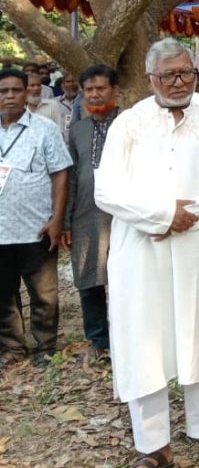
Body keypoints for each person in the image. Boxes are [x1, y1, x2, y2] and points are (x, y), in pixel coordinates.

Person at [94, 39, 199, 468]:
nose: (180, 82)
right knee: (144, 343)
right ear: (151, 79)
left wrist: (187, 217)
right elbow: (106, 190)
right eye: (169, 75)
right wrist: (163, 216)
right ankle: (154, 446)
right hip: (142, 251)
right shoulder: (129, 123)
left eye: (186, 73)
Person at [0, 67, 72, 368]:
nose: (10, 96)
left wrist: (57, 220)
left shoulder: (45, 129)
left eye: (16, 90)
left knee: (44, 293)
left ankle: (45, 347)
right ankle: (12, 347)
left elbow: (60, 175)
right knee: (3, 294)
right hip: (1, 230)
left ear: (28, 92)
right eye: (3, 91)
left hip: (37, 227)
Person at [63, 64, 120, 360]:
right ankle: (99, 341)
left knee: (126, 277)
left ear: (114, 90)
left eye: (101, 88)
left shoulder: (130, 123)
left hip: (124, 217)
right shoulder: (77, 130)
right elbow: (71, 177)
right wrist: (66, 221)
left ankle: (128, 337)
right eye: (89, 90)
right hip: (86, 215)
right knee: (89, 277)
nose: (95, 94)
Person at [25, 69, 68, 139]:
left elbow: (59, 131)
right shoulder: (18, 108)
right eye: (32, 85)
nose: (36, 88)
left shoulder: (52, 105)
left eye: (38, 85)